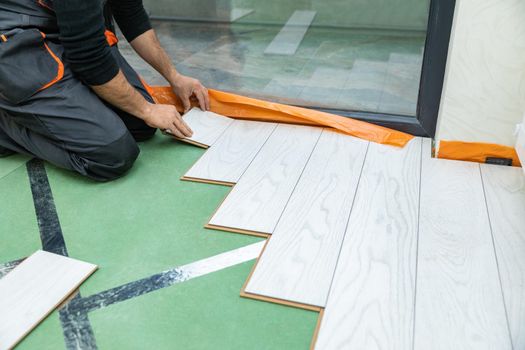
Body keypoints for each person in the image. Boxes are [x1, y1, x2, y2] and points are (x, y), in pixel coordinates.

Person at [0, 0, 210, 181]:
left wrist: (174, 76)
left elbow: (131, 15)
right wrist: (147, 110)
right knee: (113, 155)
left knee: (140, 127)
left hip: (63, 30)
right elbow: (89, 57)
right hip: (16, 43)